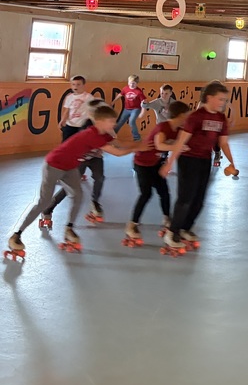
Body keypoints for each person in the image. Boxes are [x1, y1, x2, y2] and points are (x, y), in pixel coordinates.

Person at [7, 104, 134, 258]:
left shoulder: (104, 134)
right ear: (99, 122)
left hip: (70, 167)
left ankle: (69, 228)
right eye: (111, 121)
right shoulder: (92, 134)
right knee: (43, 201)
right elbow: (118, 153)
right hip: (54, 164)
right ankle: (17, 234)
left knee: (78, 195)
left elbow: (120, 144)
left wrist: (140, 145)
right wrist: (138, 148)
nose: (114, 124)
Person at [160, 81, 239, 254]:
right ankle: (172, 232)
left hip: (205, 160)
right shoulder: (195, 117)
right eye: (220, 99)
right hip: (188, 160)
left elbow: (223, 143)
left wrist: (232, 162)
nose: (222, 103)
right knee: (186, 198)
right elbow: (181, 140)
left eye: (224, 100)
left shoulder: (220, 118)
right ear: (209, 98)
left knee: (199, 199)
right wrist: (169, 162)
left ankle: (185, 228)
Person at [124, 100, 191, 246]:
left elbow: (181, 144)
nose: (187, 118)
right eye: (186, 115)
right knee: (146, 193)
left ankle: (167, 219)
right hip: (142, 163)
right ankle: (132, 224)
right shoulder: (163, 126)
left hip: (156, 163)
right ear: (180, 115)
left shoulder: (179, 130)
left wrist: (169, 160)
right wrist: (177, 147)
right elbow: (159, 144)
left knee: (164, 192)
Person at [59, 75, 92, 141]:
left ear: (83, 85)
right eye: (73, 84)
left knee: (80, 143)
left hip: (82, 125)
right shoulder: (69, 97)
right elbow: (67, 110)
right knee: (66, 142)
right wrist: (62, 120)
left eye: (78, 84)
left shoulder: (88, 97)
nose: (75, 86)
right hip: (70, 124)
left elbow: (92, 110)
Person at [114, 74, 145, 143]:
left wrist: (142, 112)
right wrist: (113, 102)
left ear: (137, 84)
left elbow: (144, 102)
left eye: (134, 83)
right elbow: (120, 95)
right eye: (130, 83)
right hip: (127, 109)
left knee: (131, 121)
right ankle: (112, 135)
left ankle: (137, 137)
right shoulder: (126, 88)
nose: (131, 85)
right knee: (120, 122)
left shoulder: (138, 92)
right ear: (128, 82)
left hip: (135, 109)